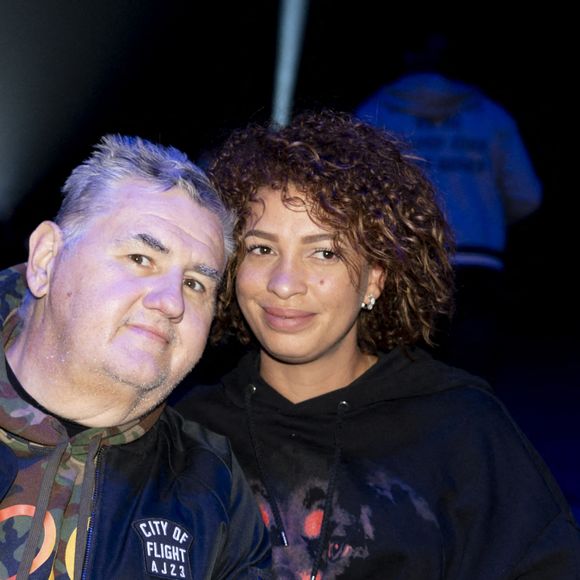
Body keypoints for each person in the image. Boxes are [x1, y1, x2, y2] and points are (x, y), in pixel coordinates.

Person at [176, 111, 580, 579]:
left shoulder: (456, 425)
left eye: (324, 252)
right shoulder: (193, 435)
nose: (284, 284)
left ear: (375, 278)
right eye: (261, 249)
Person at [0, 135, 271, 579]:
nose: (171, 302)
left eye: (195, 285)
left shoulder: (212, 494)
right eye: (141, 257)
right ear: (46, 259)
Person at [354, 34, 542, 380]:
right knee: (473, 378)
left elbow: (353, 191)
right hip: (478, 261)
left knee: (407, 375)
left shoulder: (374, 111)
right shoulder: (490, 114)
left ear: (407, 57)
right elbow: (527, 194)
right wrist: (487, 218)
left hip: (407, 257)